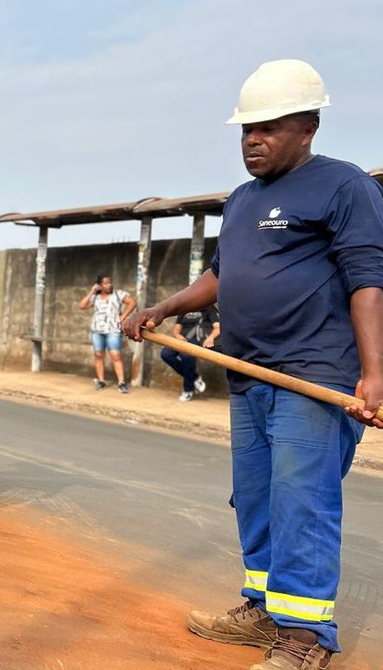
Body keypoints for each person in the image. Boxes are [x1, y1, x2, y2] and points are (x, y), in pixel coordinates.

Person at [123, 59, 383, 670]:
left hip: (312, 377)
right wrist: (162, 306)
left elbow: (370, 281)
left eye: (267, 127)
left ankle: (307, 639)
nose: (252, 140)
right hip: (250, 373)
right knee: (257, 497)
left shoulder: (345, 187)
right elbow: (223, 274)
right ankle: (265, 609)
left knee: (302, 501)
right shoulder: (242, 200)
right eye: (245, 130)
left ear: (309, 127)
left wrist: (374, 373)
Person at [77, 273, 136, 393]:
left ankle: (121, 382)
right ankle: (101, 380)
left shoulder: (118, 294)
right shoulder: (96, 297)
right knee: (98, 355)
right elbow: (82, 305)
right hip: (97, 330)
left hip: (113, 330)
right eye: (105, 283)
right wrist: (92, 291)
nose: (109, 285)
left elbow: (132, 302)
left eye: (109, 282)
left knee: (116, 355)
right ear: (99, 285)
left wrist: (123, 316)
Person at [160, 304, 220, 401]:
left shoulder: (208, 308)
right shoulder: (185, 308)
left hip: (198, 340)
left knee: (186, 356)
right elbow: (176, 329)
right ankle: (195, 378)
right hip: (183, 340)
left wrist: (210, 338)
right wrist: (178, 336)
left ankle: (188, 390)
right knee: (166, 354)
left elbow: (217, 328)